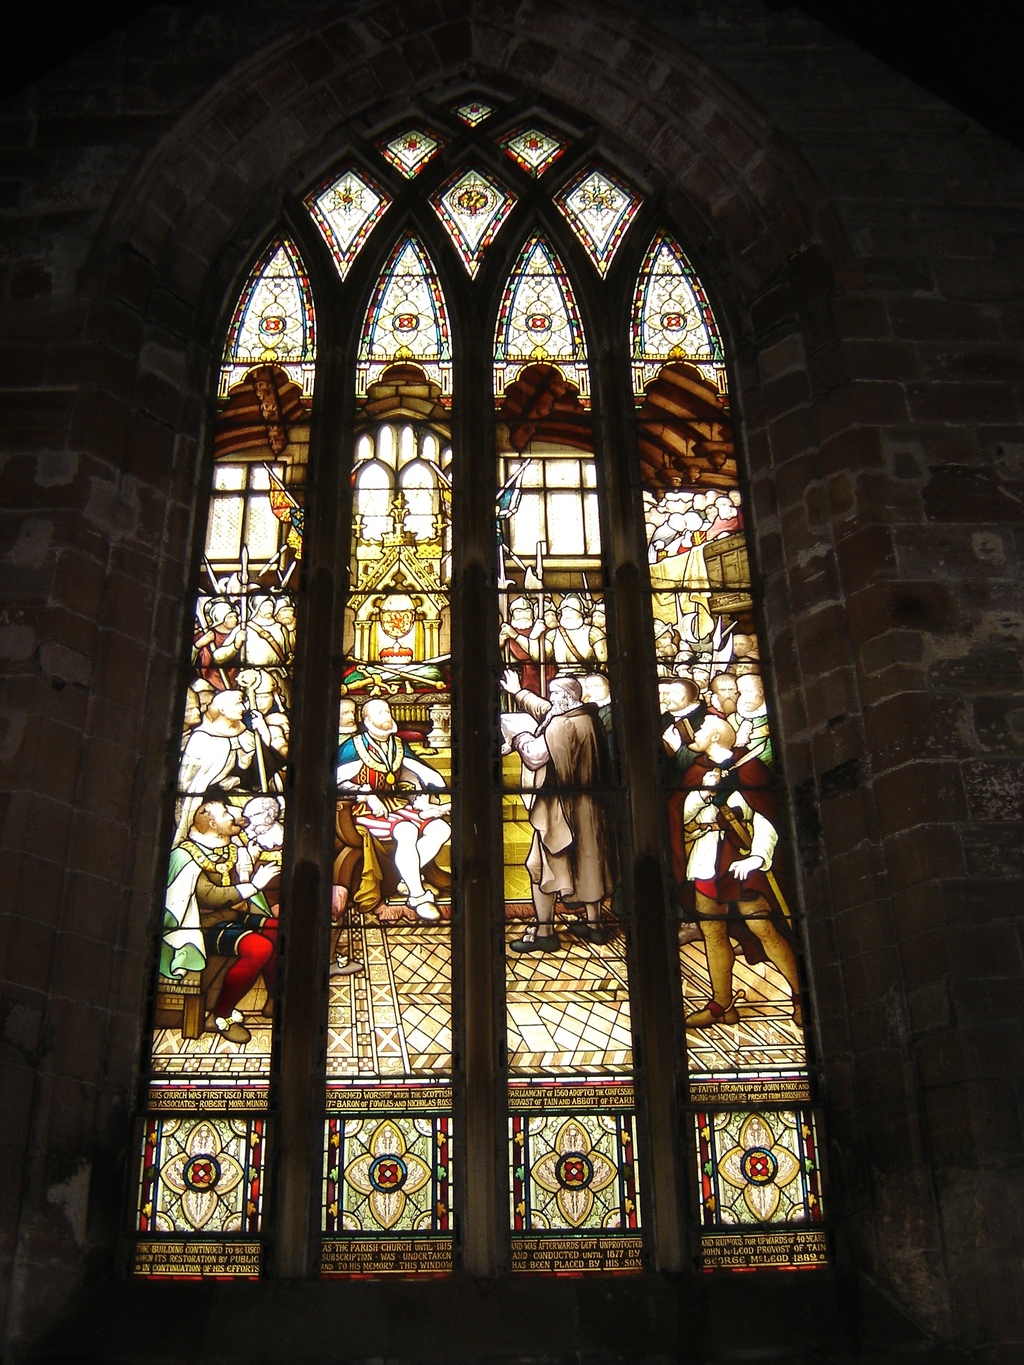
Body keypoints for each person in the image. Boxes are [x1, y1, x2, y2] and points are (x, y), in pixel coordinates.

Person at [668, 714, 800, 1028]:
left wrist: (757, 857)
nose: (695, 732)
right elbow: (681, 816)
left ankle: (800, 996)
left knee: (765, 930)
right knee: (712, 934)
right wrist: (703, 792)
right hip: (705, 861)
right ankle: (722, 1005)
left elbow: (765, 817)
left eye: (701, 728)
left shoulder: (751, 770)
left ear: (715, 737)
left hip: (741, 861)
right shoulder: (697, 771)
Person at [500, 669, 617, 951]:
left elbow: (534, 756)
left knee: (540, 867)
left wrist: (518, 736)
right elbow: (546, 711)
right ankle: (595, 925)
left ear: (566, 698)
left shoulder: (563, 725)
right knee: (588, 862)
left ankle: (544, 933)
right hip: (589, 807)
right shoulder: (587, 717)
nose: (550, 699)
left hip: (561, 808)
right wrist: (518, 692)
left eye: (554, 694)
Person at [164, 791, 279, 1044]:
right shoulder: (187, 855)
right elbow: (209, 897)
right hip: (200, 927)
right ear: (212, 823)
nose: (233, 815)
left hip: (232, 918)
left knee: (277, 928)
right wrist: (254, 886)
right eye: (226, 813)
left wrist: (249, 863)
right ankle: (220, 1016)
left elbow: (237, 893)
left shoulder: (229, 849)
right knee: (259, 949)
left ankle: (274, 999)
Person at [335, 699, 451, 921]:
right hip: (361, 810)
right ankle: (418, 896)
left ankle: (406, 878)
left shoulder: (397, 745)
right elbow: (336, 781)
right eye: (380, 712)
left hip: (394, 805)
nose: (387, 715)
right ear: (367, 721)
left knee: (441, 830)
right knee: (406, 830)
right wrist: (365, 794)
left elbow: (412, 774)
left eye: (387, 710)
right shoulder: (354, 746)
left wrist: (421, 795)